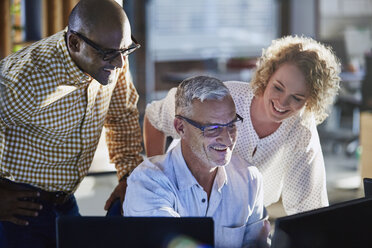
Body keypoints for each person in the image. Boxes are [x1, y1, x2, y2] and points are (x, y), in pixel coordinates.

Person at [143, 36, 341, 215]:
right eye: (278, 87)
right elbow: (154, 117)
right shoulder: (224, 97)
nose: (282, 102)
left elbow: (307, 209)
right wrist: (155, 175)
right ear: (267, 76)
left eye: (297, 98)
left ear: (311, 100)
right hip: (183, 205)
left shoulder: (301, 130)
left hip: (243, 220)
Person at [0, 0, 143, 246]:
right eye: (110, 54)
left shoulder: (114, 55)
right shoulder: (24, 79)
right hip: (18, 211)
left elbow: (121, 115)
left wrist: (128, 175)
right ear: (75, 43)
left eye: (125, 50)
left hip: (65, 203)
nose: (119, 63)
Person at [124, 76, 270, 248]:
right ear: (180, 128)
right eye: (212, 128)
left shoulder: (249, 178)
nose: (227, 139)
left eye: (231, 125)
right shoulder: (148, 182)